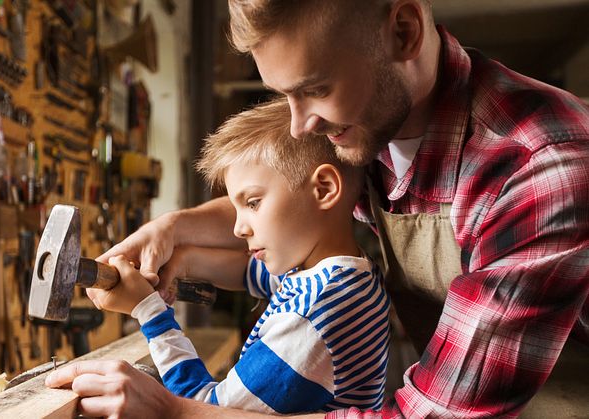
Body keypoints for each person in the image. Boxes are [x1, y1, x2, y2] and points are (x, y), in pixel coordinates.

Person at [46, 0, 589, 417]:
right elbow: (294, 207)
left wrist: (172, 409)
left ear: (403, 31)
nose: (299, 125)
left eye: (315, 89)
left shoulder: (535, 170)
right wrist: (174, 232)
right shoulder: (371, 127)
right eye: (284, 95)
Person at [73, 98, 391, 414]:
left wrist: (149, 312)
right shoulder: (339, 274)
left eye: (252, 202)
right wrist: (184, 260)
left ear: (323, 189)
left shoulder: (315, 317)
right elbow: (247, 271)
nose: (238, 228)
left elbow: (203, 407)